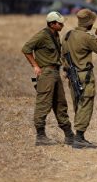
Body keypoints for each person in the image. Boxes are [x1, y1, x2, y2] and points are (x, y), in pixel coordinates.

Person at [21, 11, 75, 146]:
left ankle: (69, 134)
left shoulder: (55, 35)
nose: (62, 25)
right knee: (43, 104)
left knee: (61, 103)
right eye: (60, 23)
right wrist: (35, 66)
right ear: (52, 24)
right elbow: (26, 49)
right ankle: (40, 136)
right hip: (46, 74)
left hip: (55, 72)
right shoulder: (42, 35)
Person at [61, 9, 97, 149]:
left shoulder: (67, 35)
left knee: (78, 104)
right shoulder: (86, 37)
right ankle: (79, 137)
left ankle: (78, 136)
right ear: (90, 23)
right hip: (84, 76)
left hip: (72, 75)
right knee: (85, 104)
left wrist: (66, 70)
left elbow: (62, 55)